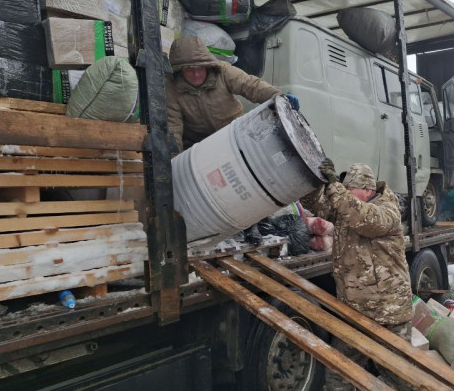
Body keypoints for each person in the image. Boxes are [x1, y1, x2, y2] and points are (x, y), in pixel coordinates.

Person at [301, 160, 414, 391]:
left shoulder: (386, 211)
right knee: (338, 374)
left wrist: (335, 186)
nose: (345, 194)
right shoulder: (347, 209)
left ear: (368, 191)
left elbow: (361, 216)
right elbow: (320, 204)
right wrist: (314, 181)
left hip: (387, 313)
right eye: (344, 189)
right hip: (355, 312)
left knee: (400, 378)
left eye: (349, 190)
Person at [165, 36, 300, 151]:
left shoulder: (223, 71)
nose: (196, 74)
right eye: (189, 69)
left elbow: (251, 86)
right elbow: (173, 127)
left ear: (207, 65)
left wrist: (277, 97)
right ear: (179, 70)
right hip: (200, 144)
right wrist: (173, 159)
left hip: (235, 132)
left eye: (200, 68)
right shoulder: (172, 87)